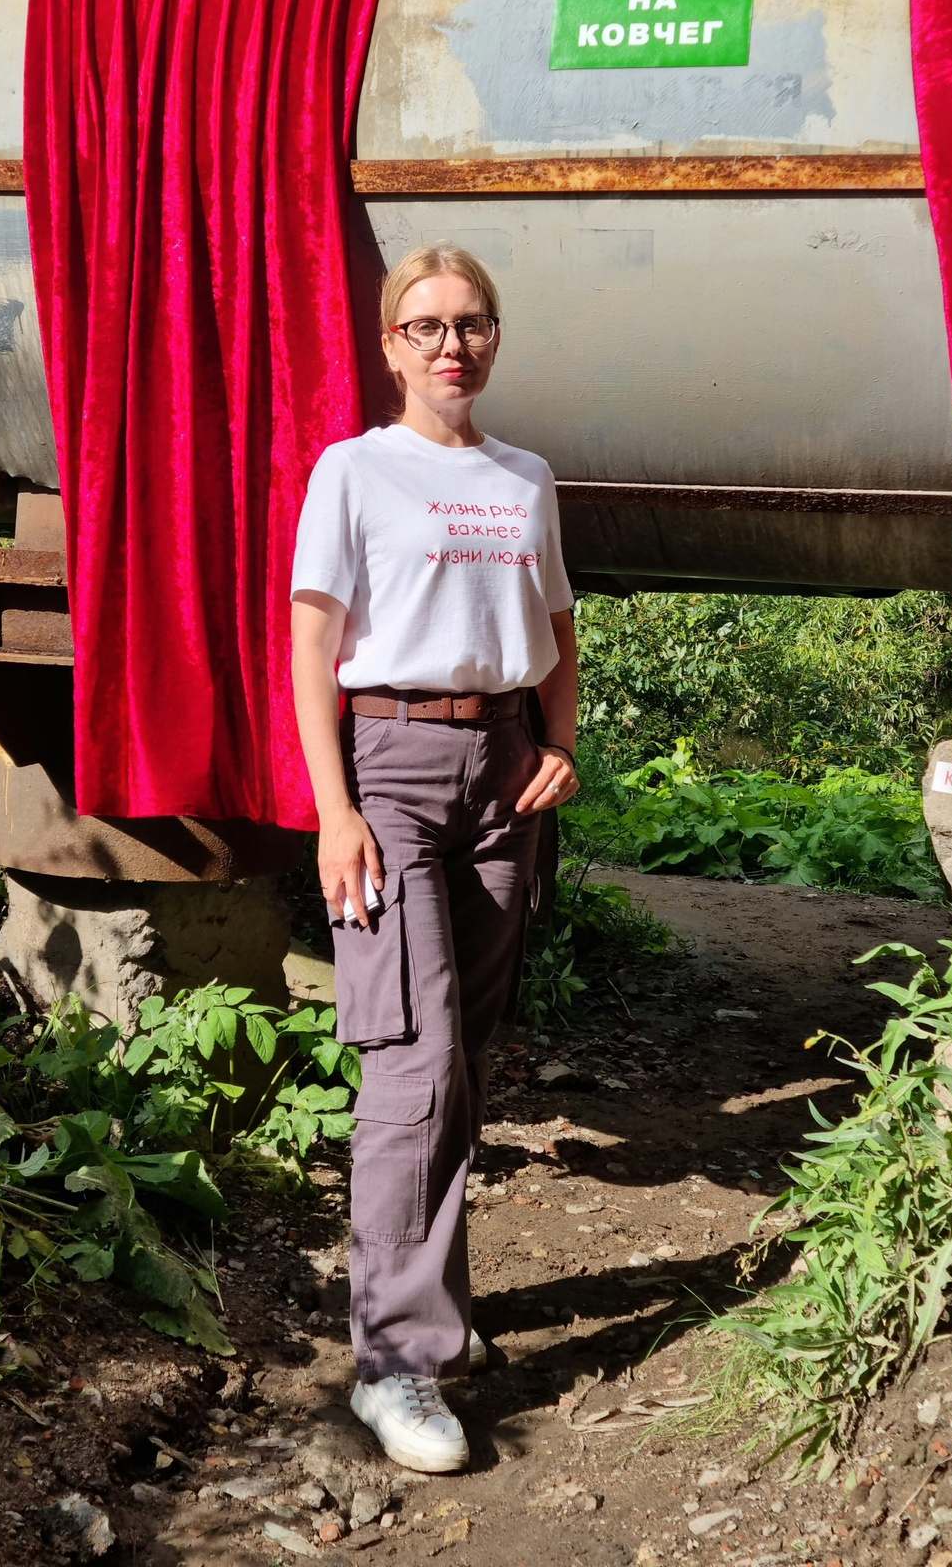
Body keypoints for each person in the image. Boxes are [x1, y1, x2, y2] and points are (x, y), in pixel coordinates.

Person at [289, 243, 580, 1474]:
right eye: (426, 326)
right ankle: (394, 1367)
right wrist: (334, 808)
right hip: (392, 769)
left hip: (503, 769)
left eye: (471, 323)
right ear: (390, 346)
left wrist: (559, 742)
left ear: (494, 339)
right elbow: (314, 643)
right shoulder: (354, 470)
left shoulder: (525, 478)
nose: (450, 344)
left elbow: (558, 626)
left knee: (465, 1057)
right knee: (412, 1054)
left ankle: (435, 1318)